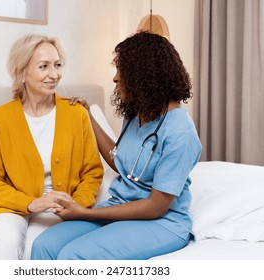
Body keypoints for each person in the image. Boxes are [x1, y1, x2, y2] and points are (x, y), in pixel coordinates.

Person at [31, 31, 202, 260]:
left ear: (142, 74)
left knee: (75, 256)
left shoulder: (181, 133)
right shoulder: (138, 114)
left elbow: (156, 206)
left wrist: (84, 213)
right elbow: (120, 160)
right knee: (45, 244)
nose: (115, 78)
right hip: (121, 207)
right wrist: (88, 115)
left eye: (120, 70)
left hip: (161, 222)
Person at [0, 34, 104, 259]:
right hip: (10, 207)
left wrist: (77, 204)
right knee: (5, 242)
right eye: (43, 66)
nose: (54, 75)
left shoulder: (76, 114)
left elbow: (92, 173)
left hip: (65, 207)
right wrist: (32, 203)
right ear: (22, 71)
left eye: (57, 65)